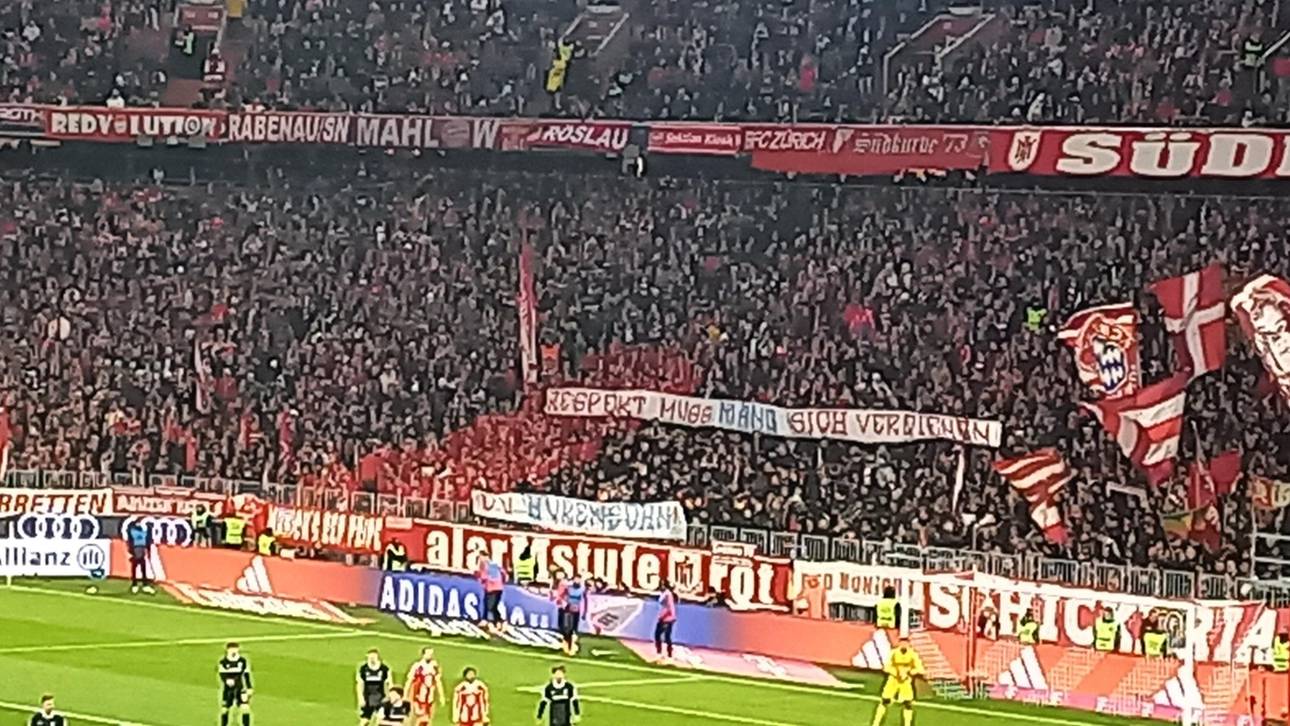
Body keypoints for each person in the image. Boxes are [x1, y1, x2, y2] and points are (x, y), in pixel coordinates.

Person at [871, 638, 923, 726]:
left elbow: (920, 669)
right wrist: (896, 672)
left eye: (905, 644)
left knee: (907, 703)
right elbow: (886, 667)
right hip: (893, 680)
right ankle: (876, 723)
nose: (903, 646)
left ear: (909, 645)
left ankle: (907, 724)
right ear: (899, 644)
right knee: (885, 700)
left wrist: (909, 672)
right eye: (902, 644)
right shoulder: (894, 653)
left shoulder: (913, 655)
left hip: (905, 681)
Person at [405, 647, 446, 726]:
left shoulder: (435, 666)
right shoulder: (417, 666)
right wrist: (405, 694)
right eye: (428, 653)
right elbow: (409, 680)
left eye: (431, 654)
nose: (430, 655)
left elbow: (438, 682)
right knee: (415, 717)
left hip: (430, 697)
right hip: (417, 696)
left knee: (428, 718)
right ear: (423, 655)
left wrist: (442, 696)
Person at [218, 642, 253, 726]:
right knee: (225, 709)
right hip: (228, 689)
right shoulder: (223, 662)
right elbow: (222, 675)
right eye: (231, 649)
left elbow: (246, 674)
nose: (233, 650)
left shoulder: (242, 661)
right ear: (227, 650)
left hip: (241, 688)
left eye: (235, 648)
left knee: (245, 708)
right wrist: (227, 680)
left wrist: (249, 687)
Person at [358, 648, 392, 725]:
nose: (372, 659)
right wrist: (361, 697)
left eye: (373, 657)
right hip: (368, 698)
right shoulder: (363, 669)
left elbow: (389, 683)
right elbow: (360, 684)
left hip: (382, 698)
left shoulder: (384, 669)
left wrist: (389, 696)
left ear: (377, 657)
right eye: (370, 657)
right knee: (365, 720)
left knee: (380, 719)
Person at [557, 573, 587, 656]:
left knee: (574, 629)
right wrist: (565, 603)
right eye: (576, 579)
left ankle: (572, 648)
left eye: (579, 579)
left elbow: (584, 600)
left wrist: (584, 612)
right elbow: (563, 596)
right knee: (567, 629)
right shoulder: (569, 588)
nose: (577, 581)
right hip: (568, 610)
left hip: (576, 611)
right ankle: (566, 647)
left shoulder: (582, 589)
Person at [126, 519, 155, 594]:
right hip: (136, 549)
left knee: (143, 567)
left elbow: (148, 540)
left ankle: (144, 584)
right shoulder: (132, 531)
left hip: (141, 549)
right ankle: (134, 585)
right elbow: (129, 536)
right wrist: (131, 551)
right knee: (135, 567)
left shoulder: (143, 532)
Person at [477, 558, 507, 634]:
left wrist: (479, 577)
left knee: (490, 608)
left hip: (491, 589)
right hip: (499, 588)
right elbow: (504, 574)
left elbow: (483, 577)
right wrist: (501, 583)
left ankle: (491, 626)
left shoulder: (484, 565)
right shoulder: (495, 564)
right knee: (494, 607)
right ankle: (500, 623)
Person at [655, 581, 677, 663]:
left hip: (668, 617)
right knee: (659, 635)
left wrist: (662, 616)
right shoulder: (663, 594)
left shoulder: (668, 595)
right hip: (665, 616)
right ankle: (660, 654)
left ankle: (669, 656)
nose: (661, 587)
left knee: (666, 636)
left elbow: (669, 607)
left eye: (663, 585)